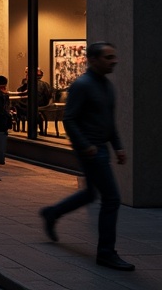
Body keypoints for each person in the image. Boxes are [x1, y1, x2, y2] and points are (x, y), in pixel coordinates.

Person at [39, 42, 134, 272]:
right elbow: (69, 119)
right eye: (108, 57)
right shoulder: (82, 85)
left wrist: (118, 147)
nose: (114, 61)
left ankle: (52, 213)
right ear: (92, 60)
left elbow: (108, 121)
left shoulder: (108, 87)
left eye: (114, 57)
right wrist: (85, 146)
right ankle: (106, 253)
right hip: (91, 150)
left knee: (92, 193)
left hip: (100, 147)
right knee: (111, 198)